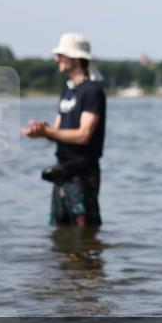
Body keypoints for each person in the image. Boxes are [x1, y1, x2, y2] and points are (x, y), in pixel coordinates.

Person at [23, 33, 106, 227]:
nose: (56, 59)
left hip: (83, 173)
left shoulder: (92, 91)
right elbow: (57, 130)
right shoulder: (67, 90)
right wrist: (42, 131)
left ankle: (87, 257)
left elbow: (84, 135)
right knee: (60, 231)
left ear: (76, 59)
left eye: (61, 54)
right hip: (62, 170)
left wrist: (49, 133)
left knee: (84, 230)